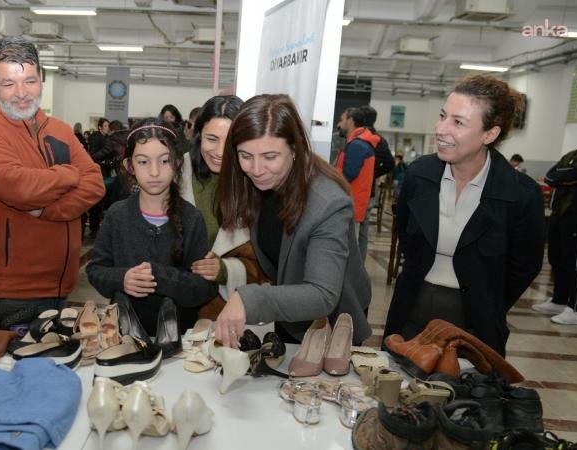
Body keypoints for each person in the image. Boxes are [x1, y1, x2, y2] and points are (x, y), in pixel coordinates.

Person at [384, 74, 545, 356]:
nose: (441, 129)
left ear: (489, 134)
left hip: (476, 324)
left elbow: (524, 266)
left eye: (458, 122)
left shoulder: (520, 194)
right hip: (411, 310)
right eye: (443, 116)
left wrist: (487, 299)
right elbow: (410, 240)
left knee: (466, 398)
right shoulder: (420, 175)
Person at [214, 94, 372, 348]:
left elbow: (322, 294)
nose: (256, 169)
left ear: (295, 149)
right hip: (290, 316)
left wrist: (248, 299)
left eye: (269, 156)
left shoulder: (328, 202)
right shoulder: (259, 185)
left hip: (333, 327)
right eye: (245, 156)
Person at [0, 37, 104, 316]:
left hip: (64, 287)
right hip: (13, 295)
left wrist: (49, 210)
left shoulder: (61, 131)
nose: (21, 93)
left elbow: (95, 184)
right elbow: (22, 189)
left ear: (41, 78)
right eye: (8, 83)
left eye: (29, 80)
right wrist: (68, 174)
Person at [86, 118, 217, 336]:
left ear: (177, 163)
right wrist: (123, 278)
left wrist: (162, 277)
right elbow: (95, 270)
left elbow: (204, 288)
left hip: (180, 337)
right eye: (143, 162)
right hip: (124, 336)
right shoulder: (117, 215)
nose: (154, 172)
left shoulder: (192, 218)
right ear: (129, 166)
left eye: (164, 161)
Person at [178, 95, 268, 319]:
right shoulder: (173, 173)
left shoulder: (256, 184)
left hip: (224, 313)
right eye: (211, 138)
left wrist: (225, 270)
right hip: (171, 307)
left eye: (229, 142)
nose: (219, 152)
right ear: (198, 136)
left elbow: (266, 265)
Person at [532, 114, 577, 325]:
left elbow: (570, 174)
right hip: (562, 211)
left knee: (574, 260)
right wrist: (564, 177)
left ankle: (576, 309)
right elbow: (552, 175)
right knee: (557, 257)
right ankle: (560, 299)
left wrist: (565, 177)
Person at [335, 107, 377, 260]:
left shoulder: (358, 145)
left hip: (351, 204)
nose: (339, 124)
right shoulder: (358, 142)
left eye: (342, 119)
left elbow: (347, 175)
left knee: (348, 251)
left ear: (350, 121)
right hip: (353, 203)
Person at [359, 105, 394, 258]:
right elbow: (390, 163)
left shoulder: (359, 138)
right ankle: (360, 262)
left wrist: (370, 174)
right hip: (370, 190)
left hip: (356, 189)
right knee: (364, 229)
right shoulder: (380, 140)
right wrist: (373, 174)